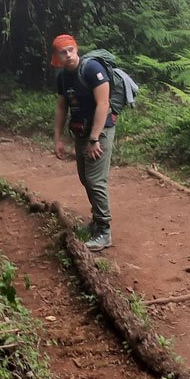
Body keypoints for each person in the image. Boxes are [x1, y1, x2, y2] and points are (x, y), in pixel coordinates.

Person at [51, 34, 115, 251]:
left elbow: (103, 103)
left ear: (76, 49)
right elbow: (62, 107)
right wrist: (57, 138)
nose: (68, 55)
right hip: (80, 131)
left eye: (70, 50)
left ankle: (104, 231)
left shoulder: (91, 69)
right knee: (85, 178)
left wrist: (95, 138)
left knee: (95, 180)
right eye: (63, 52)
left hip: (100, 130)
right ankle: (97, 221)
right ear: (57, 57)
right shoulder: (62, 77)